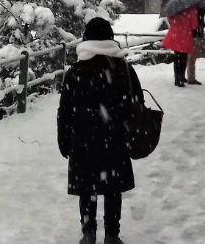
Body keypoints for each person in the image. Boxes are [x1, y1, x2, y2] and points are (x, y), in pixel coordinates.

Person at [58, 17, 143, 244]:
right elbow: (137, 103)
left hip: (83, 140)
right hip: (115, 139)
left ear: (85, 39)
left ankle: (88, 233)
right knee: (113, 189)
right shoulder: (124, 69)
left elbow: (65, 110)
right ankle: (112, 235)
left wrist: (64, 140)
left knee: (88, 189)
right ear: (111, 39)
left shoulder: (75, 72)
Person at [162, 4, 200, 87]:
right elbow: (194, 25)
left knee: (177, 58)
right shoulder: (192, 10)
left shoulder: (175, 9)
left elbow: (170, 19)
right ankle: (181, 77)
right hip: (184, 36)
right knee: (183, 58)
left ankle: (177, 78)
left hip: (175, 36)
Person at [186, 5, 205, 84]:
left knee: (191, 58)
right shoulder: (194, 11)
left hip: (194, 36)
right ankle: (191, 78)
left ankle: (190, 77)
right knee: (191, 58)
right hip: (194, 36)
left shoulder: (194, 11)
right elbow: (194, 25)